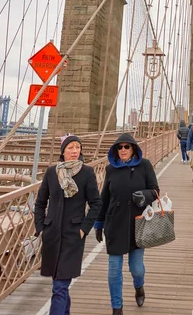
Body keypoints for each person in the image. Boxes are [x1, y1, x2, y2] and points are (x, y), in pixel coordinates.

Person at [34, 135, 101, 315]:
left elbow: (96, 203)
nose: (74, 151)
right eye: (70, 147)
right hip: (52, 235)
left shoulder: (86, 173)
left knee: (59, 286)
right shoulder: (51, 173)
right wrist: (41, 228)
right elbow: (40, 203)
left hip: (73, 236)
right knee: (60, 284)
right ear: (63, 151)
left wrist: (83, 229)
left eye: (77, 148)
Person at [94, 133, 160, 315]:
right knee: (114, 270)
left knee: (136, 269)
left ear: (133, 149)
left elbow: (155, 190)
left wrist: (145, 196)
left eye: (126, 147)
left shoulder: (144, 165)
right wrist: (99, 223)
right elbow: (104, 197)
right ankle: (117, 308)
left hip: (138, 224)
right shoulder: (110, 169)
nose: (122, 150)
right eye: (119, 147)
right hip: (115, 223)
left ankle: (139, 286)